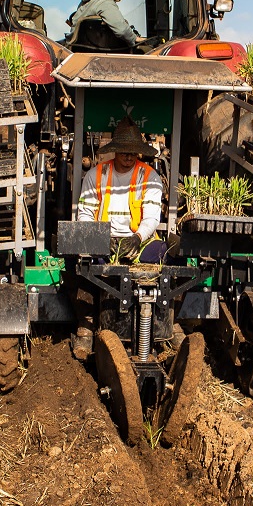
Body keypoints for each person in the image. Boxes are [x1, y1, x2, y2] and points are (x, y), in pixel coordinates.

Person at [72, 116, 164, 358]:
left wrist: (137, 238)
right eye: (123, 151)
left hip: (138, 240)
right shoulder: (96, 175)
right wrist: (99, 237)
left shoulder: (150, 176)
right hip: (105, 240)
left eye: (133, 152)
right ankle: (87, 326)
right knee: (85, 263)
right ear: (115, 151)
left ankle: (162, 324)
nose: (128, 157)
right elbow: (85, 213)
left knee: (160, 256)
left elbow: (152, 217)